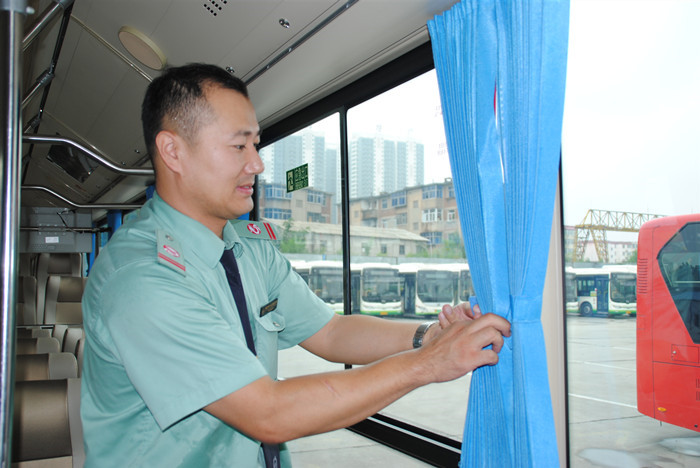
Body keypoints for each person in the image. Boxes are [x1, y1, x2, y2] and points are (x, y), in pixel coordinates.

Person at [80, 63, 511, 467]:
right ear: (173, 151)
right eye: (238, 146)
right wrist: (428, 363)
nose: (256, 163)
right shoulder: (142, 279)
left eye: (255, 144)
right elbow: (267, 413)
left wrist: (427, 336)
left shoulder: (249, 249)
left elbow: (331, 331)